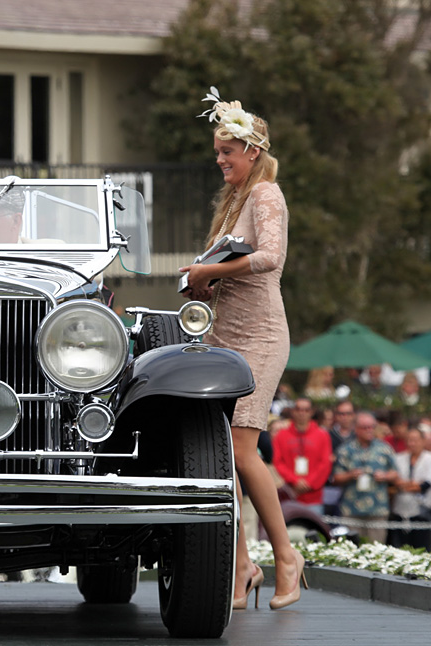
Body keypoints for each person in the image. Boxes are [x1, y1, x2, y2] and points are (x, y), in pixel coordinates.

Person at [178, 87, 304, 609]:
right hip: (224, 335)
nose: (220, 160)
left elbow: (271, 258)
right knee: (218, 460)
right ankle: (240, 567)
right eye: (217, 153)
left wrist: (210, 269)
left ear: (253, 151)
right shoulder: (234, 202)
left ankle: (287, 557)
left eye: (227, 151)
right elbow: (231, 266)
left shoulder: (265, 194)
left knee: (240, 452)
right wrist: (202, 281)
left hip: (261, 338)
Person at [332, 411, 398, 543]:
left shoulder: (384, 448)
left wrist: (384, 476)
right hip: (351, 510)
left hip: (377, 510)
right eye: (365, 427)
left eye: (372, 427)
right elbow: (336, 478)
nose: (369, 431)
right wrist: (350, 475)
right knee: (352, 549)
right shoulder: (345, 450)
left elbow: (395, 474)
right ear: (355, 429)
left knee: (376, 549)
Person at [272, 397, 332, 515]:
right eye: (298, 409)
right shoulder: (281, 435)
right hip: (288, 495)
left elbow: (325, 463)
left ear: (311, 412)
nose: (302, 413)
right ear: (293, 411)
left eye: (306, 410)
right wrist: (295, 481)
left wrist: (309, 482)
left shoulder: (322, 435)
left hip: (313, 498)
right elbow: (278, 462)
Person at [389, 427, 431, 550]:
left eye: (415, 440)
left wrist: (404, 485)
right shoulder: (398, 458)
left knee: (421, 549)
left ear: (423, 441)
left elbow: (425, 485)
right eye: (409, 440)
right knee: (399, 549)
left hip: (421, 512)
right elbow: (393, 482)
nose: (412, 443)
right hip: (400, 511)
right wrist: (411, 484)